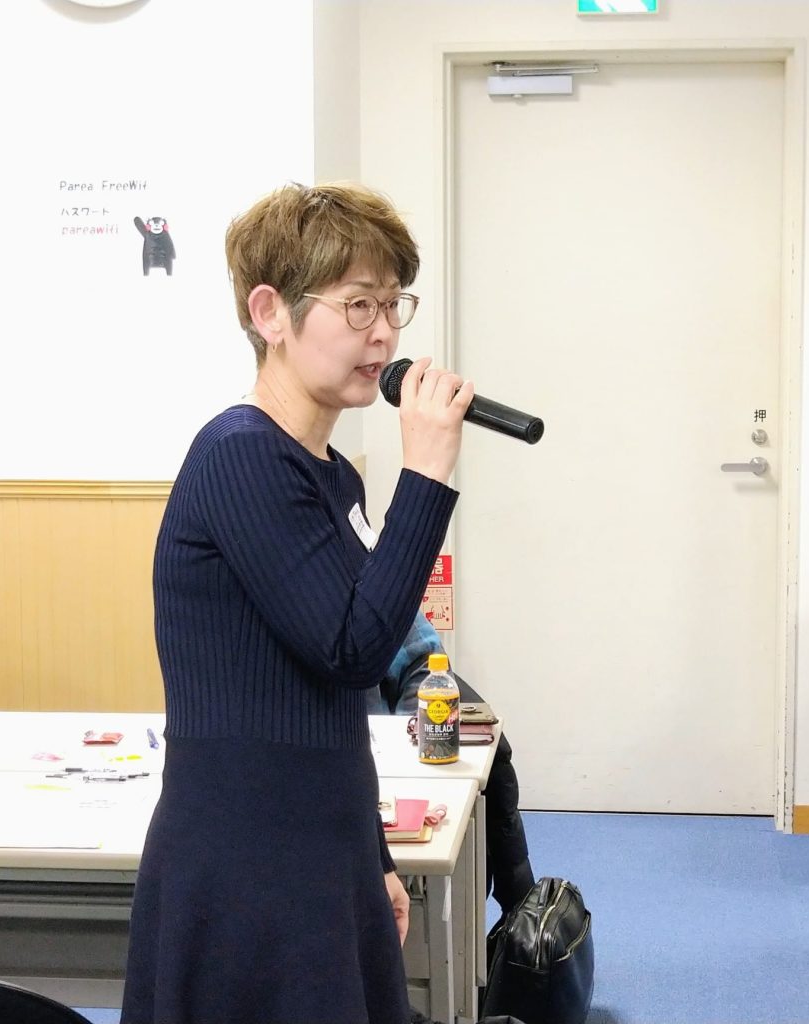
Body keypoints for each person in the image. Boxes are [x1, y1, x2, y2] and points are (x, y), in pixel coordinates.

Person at [121, 182, 475, 1024]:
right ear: (269, 312)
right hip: (246, 860)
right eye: (358, 304)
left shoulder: (330, 475)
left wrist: (371, 853)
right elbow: (354, 648)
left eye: (393, 304)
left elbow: (332, 695)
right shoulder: (240, 455)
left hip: (318, 840)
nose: (384, 333)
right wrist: (427, 474)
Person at [370, 612, 536, 920]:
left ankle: (519, 912)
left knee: (489, 774)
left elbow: (422, 659)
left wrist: (408, 743)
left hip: (397, 747)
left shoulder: (373, 601)